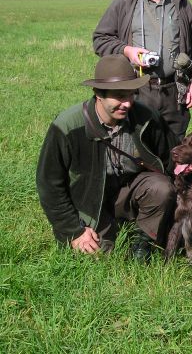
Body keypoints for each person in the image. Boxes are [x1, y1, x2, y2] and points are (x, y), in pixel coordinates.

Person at [36, 54, 178, 261]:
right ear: (98, 94)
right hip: (88, 200)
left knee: (161, 187)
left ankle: (143, 242)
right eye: (119, 96)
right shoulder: (67, 126)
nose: (127, 104)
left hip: (129, 192)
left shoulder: (146, 117)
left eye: (131, 95)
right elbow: (49, 184)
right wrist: (73, 231)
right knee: (99, 256)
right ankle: (105, 229)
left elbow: (170, 158)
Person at [93, 0, 192, 139]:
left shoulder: (182, 4)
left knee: (175, 147)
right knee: (137, 145)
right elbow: (100, 39)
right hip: (136, 90)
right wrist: (128, 51)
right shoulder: (125, 3)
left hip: (175, 90)